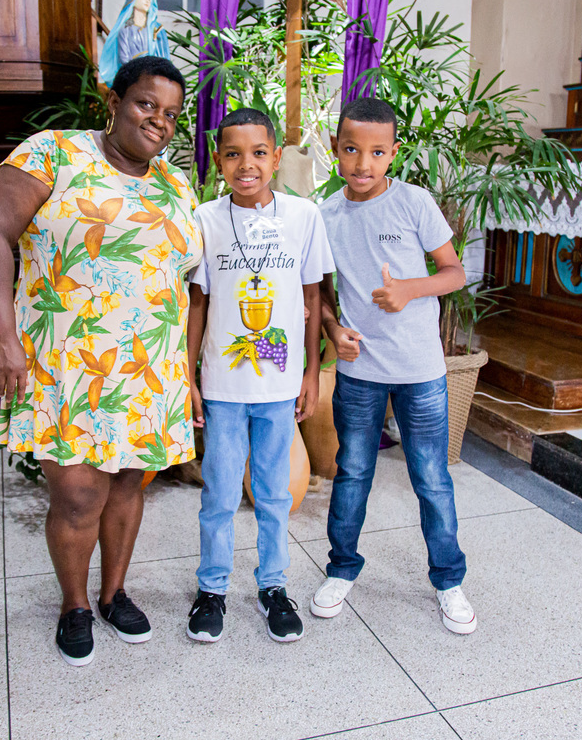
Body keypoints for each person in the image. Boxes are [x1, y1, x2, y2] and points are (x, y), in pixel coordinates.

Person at [0, 56, 203, 666]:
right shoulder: (52, 153)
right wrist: (2, 339)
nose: (158, 120)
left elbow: (186, 280)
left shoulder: (176, 184)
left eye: (171, 114)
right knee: (78, 494)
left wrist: (186, 371)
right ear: (114, 101)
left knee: (129, 484)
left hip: (147, 366)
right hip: (64, 363)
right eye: (146, 104)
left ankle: (113, 593)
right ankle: (74, 604)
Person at [310, 97, 477, 635]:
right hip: (359, 372)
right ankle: (341, 569)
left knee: (430, 477)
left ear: (394, 153)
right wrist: (334, 332)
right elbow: (322, 293)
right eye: (351, 149)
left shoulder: (414, 202)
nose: (363, 163)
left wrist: (409, 289)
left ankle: (449, 580)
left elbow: (454, 272)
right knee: (353, 472)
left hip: (420, 370)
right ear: (334, 149)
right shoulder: (325, 216)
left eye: (377, 152)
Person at [184, 108, 334, 644]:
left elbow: (313, 297)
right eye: (233, 154)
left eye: (258, 153)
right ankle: (212, 589)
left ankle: (273, 586)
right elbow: (198, 303)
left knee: (274, 493)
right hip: (223, 385)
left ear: (275, 156)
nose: (246, 164)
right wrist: (189, 376)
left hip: (280, 383)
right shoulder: (205, 218)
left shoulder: (303, 216)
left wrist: (311, 371)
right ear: (218, 160)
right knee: (220, 494)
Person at [98, 0, 171, 88]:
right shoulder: (125, 29)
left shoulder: (157, 29)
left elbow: (164, 58)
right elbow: (124, 59)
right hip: (132, 79)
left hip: (154, 78)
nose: (147, 1)